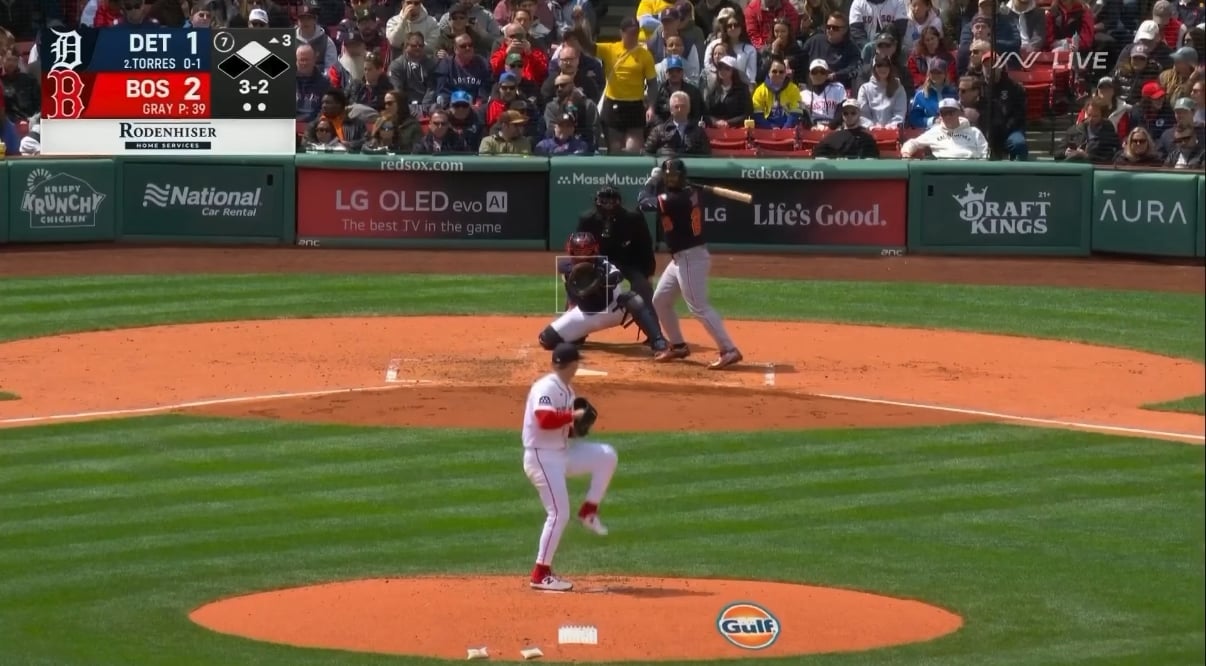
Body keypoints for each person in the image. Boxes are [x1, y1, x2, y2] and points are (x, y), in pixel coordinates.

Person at [522, 342, 618, 592]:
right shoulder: (546, 387)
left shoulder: (568, 391)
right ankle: (540, 574)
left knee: (606, 455)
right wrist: (572, 416)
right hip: (542, 459)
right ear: (572, 364)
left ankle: (589, 511)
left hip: (561, 454)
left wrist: (578, 428)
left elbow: (567, 430)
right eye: (577, 362)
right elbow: (544, 419)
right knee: (558, 513)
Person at [638, 158, 744, 370]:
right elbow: (665, 195)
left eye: (674, 177)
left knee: (699, 307)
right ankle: (678, 346)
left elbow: (642, 202)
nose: (671, 180)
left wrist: (652, 181)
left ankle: (729, 349)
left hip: (690, 258)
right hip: (681, 259)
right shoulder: (690, 193)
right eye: (669, 177)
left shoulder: (673, 200)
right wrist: (664, 181)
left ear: (682, 177)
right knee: (660, 301)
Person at [537, 232, 672, 358]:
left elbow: (617, 275)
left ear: (594, 250)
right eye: (578, 252)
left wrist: (601, 280)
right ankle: (578, 336)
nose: (583, 256)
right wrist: (568, 318)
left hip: (612, 311)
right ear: (570, 251)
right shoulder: (566, 267)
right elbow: (572, 295)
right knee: (546, 339)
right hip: (585, 315)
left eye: (587, 251)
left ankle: (659, 343)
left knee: (631, 299)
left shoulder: (602, 263)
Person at [577, 187, 658, 310]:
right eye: (604, 202)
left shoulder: (633, 218)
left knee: (643, 287)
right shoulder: (587, 220)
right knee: (578, 286)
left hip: (628, 262)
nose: (608, 206)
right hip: (600, 263)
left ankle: (649, 316)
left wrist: (649, 273)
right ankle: (572, 314)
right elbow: (579, 248)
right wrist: (581, 271)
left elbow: (645, 247)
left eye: (612, 202)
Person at [901, 97, 990, 158]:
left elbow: (984, 153)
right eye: (944, 113)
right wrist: (906, 152)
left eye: (951, 113)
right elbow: (913, 143)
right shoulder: (934, 132)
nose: (947, 116)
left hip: (971, 169)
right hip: (943, 169)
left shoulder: (974, 132)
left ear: (959, 113)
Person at [814, 98, 881, 157]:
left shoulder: (866, 137)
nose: (849, 116)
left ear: (859, 114)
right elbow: (818, 154)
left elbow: (872, 160)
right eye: (845, 113)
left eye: (853, 113)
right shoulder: (833, 136)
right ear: (842, 115)